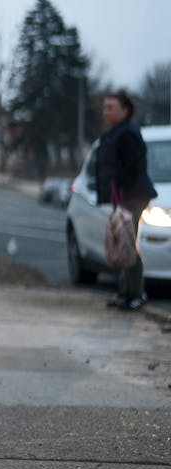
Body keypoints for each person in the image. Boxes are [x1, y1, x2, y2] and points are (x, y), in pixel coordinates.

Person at [95, 90, 157, 311]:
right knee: (122, 243)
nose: (106, 112)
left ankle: (136, 294)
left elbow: (132, 167)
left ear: (125, 110)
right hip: (121, 197)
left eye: (111, 107)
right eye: (105, 107)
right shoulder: (115, 133)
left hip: (132, 197)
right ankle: (125, 293)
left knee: (128, 244)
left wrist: (118, 189)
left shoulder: (128, 133)